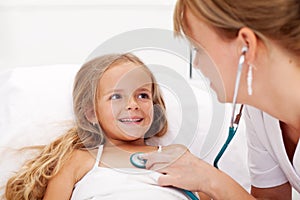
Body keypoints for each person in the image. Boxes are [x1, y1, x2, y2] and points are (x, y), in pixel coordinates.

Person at [143, 0, 300, 199]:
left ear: (246, 45)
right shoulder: (258, 111)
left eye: (198, 49)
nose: (197, 64)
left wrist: (211, 180)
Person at [5, 53, 198, 200]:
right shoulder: (79, 160)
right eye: (116, 96)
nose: (133, 104)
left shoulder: (175, 155)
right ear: (91, 113)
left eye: (143, 95)